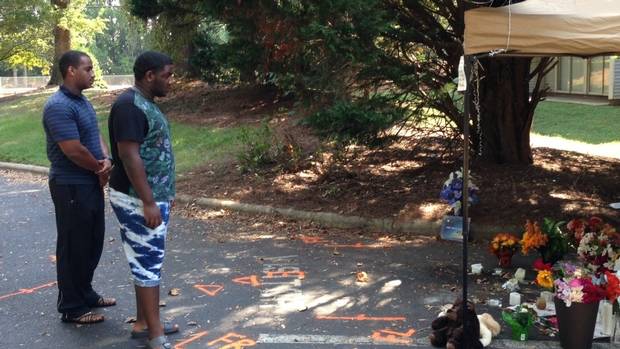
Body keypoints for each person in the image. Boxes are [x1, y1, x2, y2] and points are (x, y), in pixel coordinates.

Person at [108, 51, 179, 349]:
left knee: (146, 261)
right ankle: (155, 336)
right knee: (148, 264)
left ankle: (144, 324)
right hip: (137, 200)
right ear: (149, 75)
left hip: (149, 198)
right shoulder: (129, 106)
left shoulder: (143, 103)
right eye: (167, 75)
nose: (171, 81)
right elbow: (128, 155)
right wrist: (149, 202)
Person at [42, 50, 116, 324]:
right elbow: (73, 150)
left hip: (89, 181)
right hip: (70, 184)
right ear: (71, 71)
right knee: (74, 244)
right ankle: (71, 306)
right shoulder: (58, 105)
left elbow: (94, 135)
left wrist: (107, 159)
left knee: (92, 241)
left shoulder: (82, 102)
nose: (92, 73)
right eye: (88, 68)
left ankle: (85, 293)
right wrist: (99, 168)